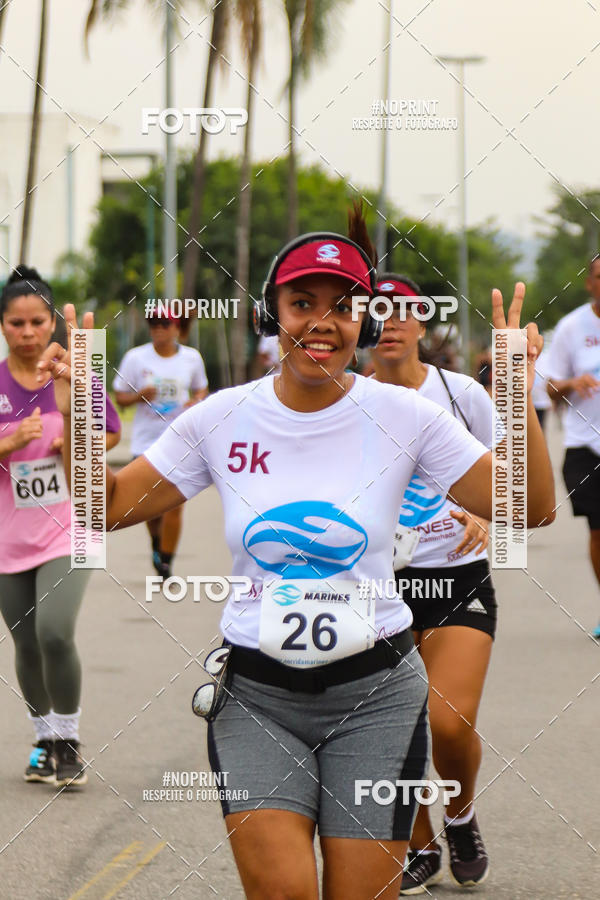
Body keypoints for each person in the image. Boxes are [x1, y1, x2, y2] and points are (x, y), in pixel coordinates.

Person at [40, 213, 555, 899]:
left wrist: (516, 389)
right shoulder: (221, 417)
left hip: (376, 697)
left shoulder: (406, 416)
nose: (323, 321)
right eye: (301, 303)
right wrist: (79, 407)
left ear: (364, 323)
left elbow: (530, 507)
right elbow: (105, 508)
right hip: (258, 699)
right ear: (270, 314)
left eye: (343, 307)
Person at [370, 274, 498, 893]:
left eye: (404, 311)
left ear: (424, 323)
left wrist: (480, 511)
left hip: (455, 580)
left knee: (448, 723)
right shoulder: (346, 398)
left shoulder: (464, 394)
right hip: (374, 589)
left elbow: (508, 479)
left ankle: (461, 815)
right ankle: (416, 840)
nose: (390, 321)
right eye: (377, 310)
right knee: (394, 726)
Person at [0, 266, 121, 787]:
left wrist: (70, 437)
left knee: (54, 630)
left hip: (73, 526)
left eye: (37, 322)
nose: (28, 333)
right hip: (9, 536)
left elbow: (110, 435)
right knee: (26, 644)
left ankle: (68, 741)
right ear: (3, 327)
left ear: (52, 322)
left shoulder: (73, 373)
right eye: (16, 323)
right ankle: (43, 740)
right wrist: (6, 443)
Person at [113, 308, 208, 579]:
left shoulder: (191, 358)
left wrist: (197, 400)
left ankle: (166, 563)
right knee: (151, 510)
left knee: (174, 505)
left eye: (165, 324)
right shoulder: (135, 358)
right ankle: (157, 542)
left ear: (178, 328)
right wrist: (139, 395)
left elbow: (201, 388)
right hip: (146, 444)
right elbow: (119, 398)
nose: (158, 329)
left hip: (181, 442)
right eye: (153, 324)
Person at [546, 257, 600, 640]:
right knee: (599, 532)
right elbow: (548, 387)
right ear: (589, 283)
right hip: (585, 445)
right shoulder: (572, 327)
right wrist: (572, 383)